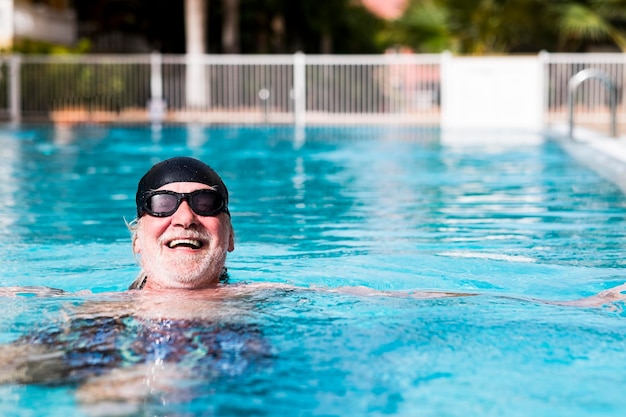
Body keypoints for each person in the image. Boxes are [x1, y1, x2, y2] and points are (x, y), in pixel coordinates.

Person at [127, 156, 235, 291]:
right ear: (137, 239)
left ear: (230, 237)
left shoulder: (265, 299)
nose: (185, 219)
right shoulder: (100, 310)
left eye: (205, 205)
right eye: (163, 205)